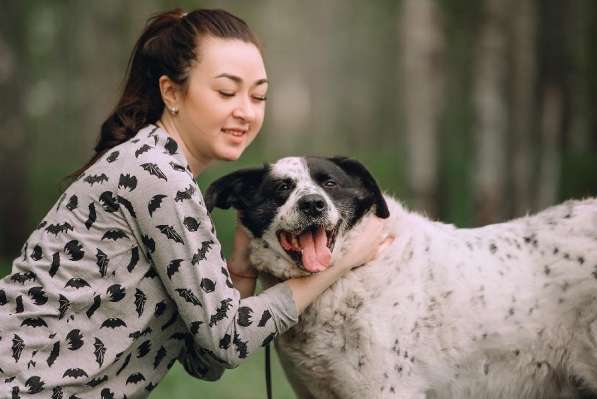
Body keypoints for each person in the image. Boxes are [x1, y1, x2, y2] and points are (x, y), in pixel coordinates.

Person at [0, 8, 390, 398]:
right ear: (171, 92)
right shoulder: (155, 175)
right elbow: (229, 338)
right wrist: (345, 259)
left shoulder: (165, 171)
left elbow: (205, 359)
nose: (246, 111)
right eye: (226, 92)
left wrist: (240, 265)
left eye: (258, 96)